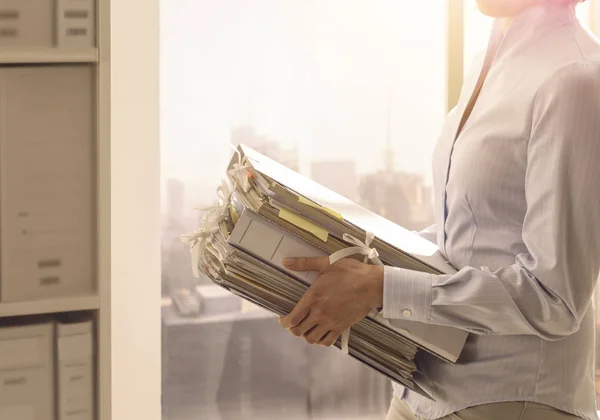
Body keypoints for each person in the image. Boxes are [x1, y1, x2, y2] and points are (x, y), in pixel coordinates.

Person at [277, 0, 600, 419]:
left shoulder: (573, 77)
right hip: (424, 384)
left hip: (508, 399)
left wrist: (381, 288)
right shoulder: (488, 61)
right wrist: (358, 265)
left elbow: (555, 297)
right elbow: (467, 233)